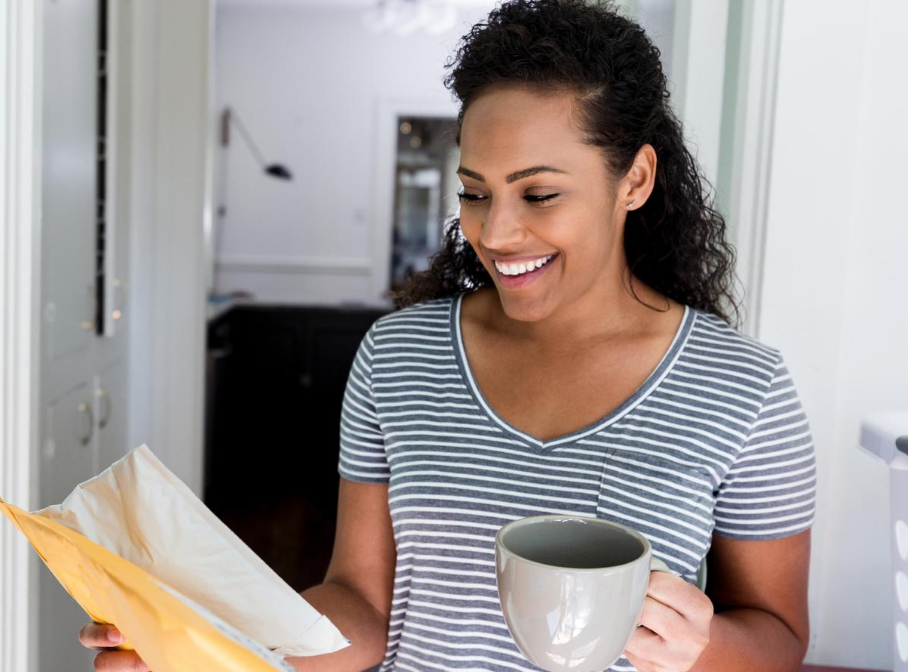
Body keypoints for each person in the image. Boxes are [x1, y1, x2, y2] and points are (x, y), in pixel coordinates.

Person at [78, 0, 817, 670]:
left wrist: (702, 645)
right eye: (474, 192)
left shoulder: (743, 388)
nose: (496, 232)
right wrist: (210, 642)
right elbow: (362, 606)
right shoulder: (398, 356)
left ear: (635, 180)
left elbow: (779, 637)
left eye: (540, 193)